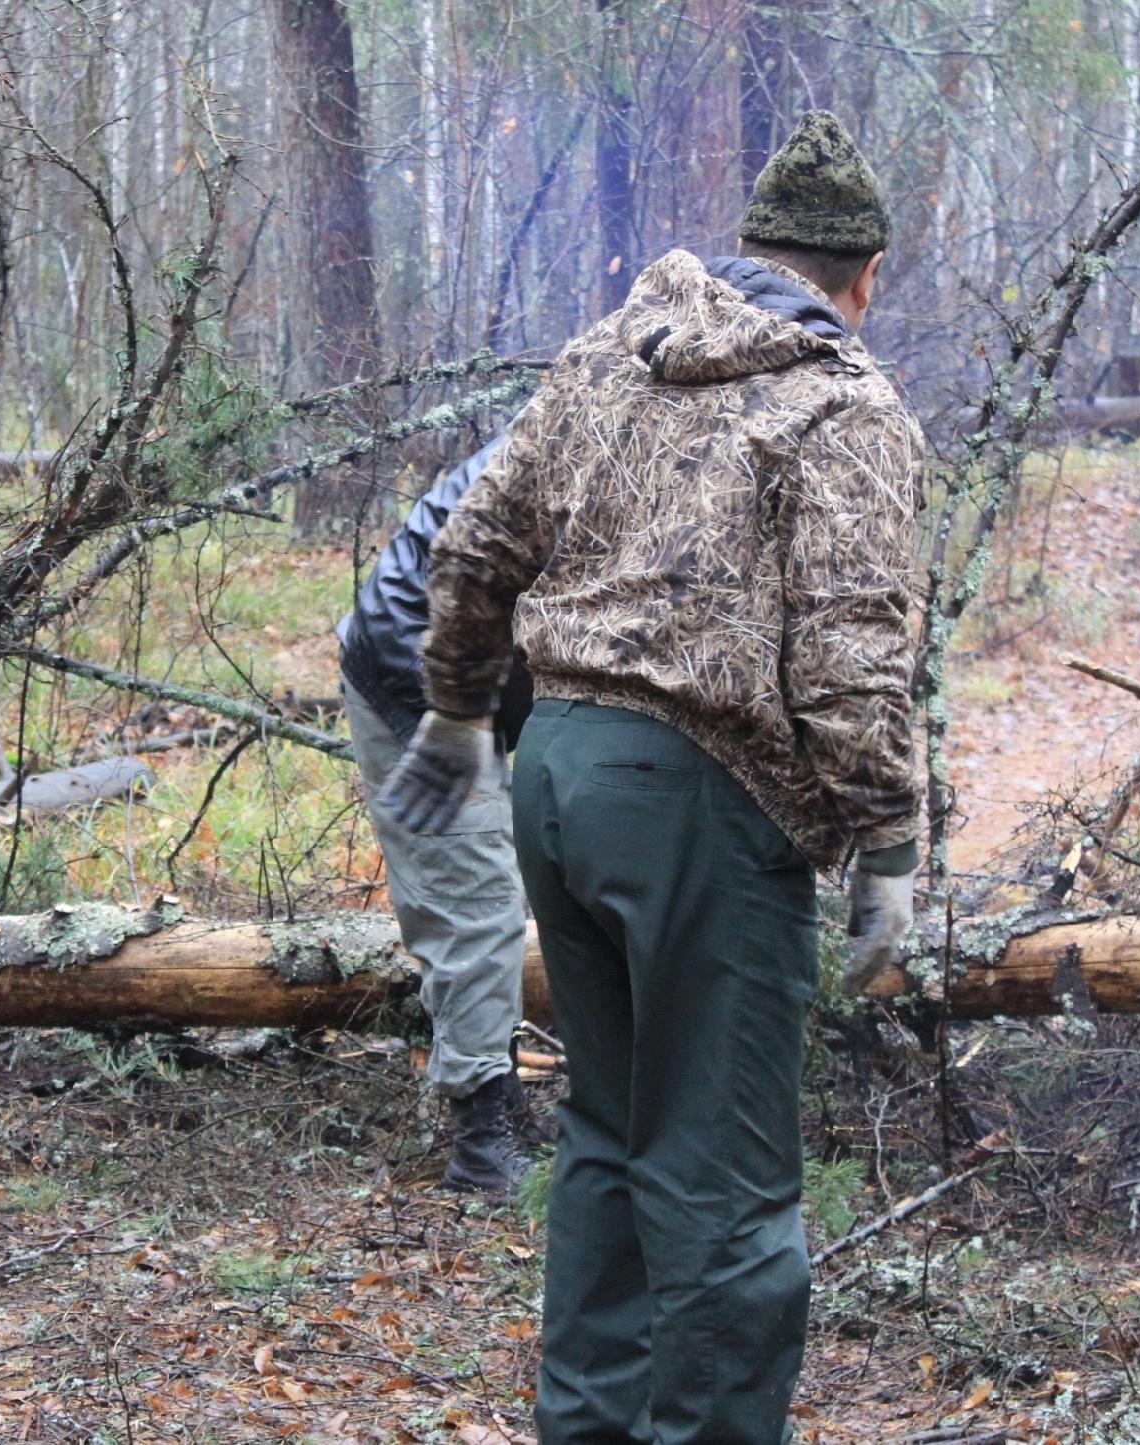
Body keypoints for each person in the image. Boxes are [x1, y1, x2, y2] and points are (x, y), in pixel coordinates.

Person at [380, 112, 924, 1443]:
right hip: (704, 797)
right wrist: (890, 850)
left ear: (752, 252)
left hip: (560, 776)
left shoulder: (602, 360)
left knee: (614, 1135)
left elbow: (474, 541)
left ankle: (590, 1425)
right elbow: (854, 658)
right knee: (728, 1178)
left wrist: (459, 716)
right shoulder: (841, 402)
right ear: (862, 277)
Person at [338, 434, 548, 1195]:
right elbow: (471, 555)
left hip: (508, 673)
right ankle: (482, 1135)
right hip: (417, 665)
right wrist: (459, 708)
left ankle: (513, 1101)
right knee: (477, 896)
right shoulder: (594, 413)